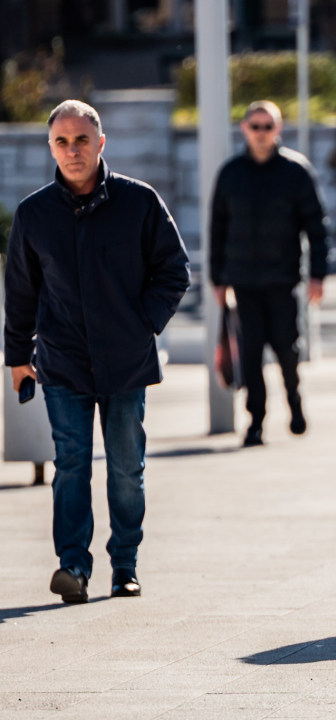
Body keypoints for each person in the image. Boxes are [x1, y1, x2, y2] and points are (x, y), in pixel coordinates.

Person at [4, 100, 190, 603]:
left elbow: (174, 271)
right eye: (62, 142)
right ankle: (73, 566)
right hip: (62, 362)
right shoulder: (34, 214)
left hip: (126, 362)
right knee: (71, 465)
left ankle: (124, 565)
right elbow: (20, 293)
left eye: (82, 140)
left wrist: (142, 325)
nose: (73, 150)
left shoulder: (139, 202)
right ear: (50, 148)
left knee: (127, 469)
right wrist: (18, 356)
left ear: (101, 142)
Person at [210, 101, 329, 447]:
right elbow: (217, 228)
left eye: (267, 126)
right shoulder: (230, 173)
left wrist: (318, 275)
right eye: (255, 126)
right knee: (250, 354)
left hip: (282, 279)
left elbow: (316, 227)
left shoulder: (296, 171)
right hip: (243, 281)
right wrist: (217, 278)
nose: (261, 133)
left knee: (286, 348)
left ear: (278, 129)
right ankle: (256, 422)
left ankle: (294, 400)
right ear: (244, 129)